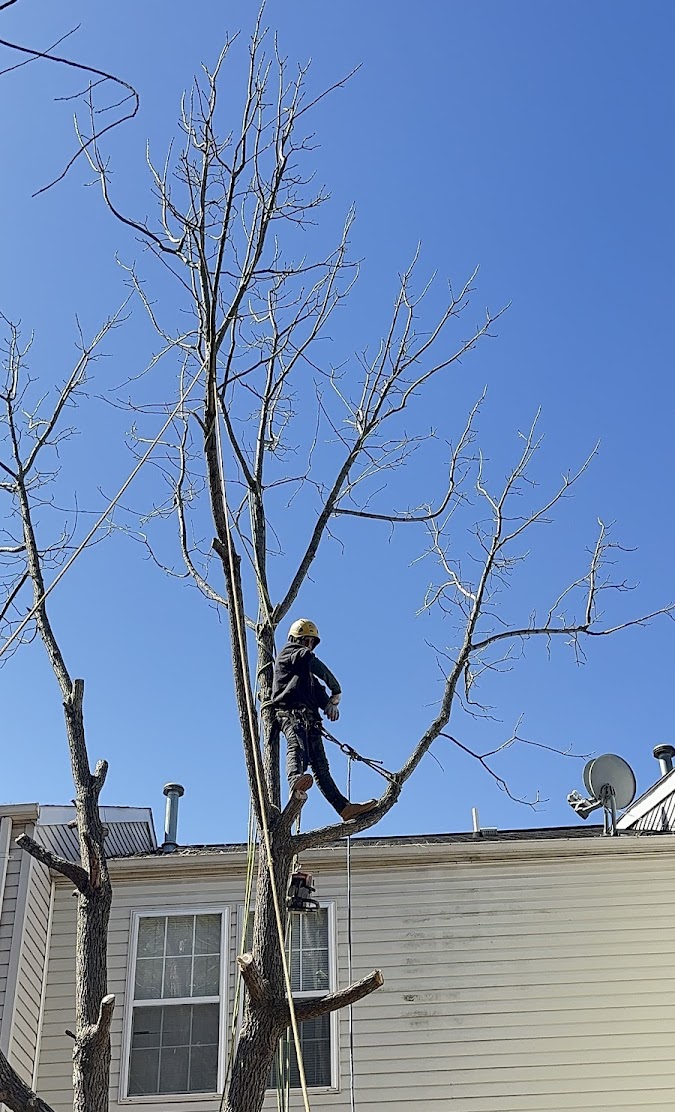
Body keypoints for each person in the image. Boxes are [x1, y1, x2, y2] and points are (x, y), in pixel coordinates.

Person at [271, 619, 377, 821]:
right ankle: (295, 778)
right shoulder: (290, 652)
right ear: (300, 640)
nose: (310, 646)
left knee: (321, 768)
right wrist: (337, 689)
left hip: (310, 721)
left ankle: (343, 807)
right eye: (308, 641)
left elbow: (319, 692)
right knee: (296, 746)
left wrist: (330, 704)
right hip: (290, 714)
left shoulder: (306, 676)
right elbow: (314, 663)